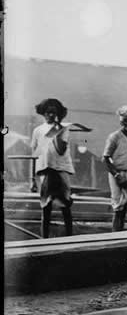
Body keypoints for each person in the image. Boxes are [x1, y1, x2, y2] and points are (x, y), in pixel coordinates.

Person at [30, 98, 75, 238]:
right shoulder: (37, 130)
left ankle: (69, 237)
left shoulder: (63, 128)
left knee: (65, 204)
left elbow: (61, 150)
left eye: (54, 113)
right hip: (45, 169)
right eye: (48, 112)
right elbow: (35, 154)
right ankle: (44, 239)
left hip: (61, 169)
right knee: (46, 206)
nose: (50, 115)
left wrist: (56, 129)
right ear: (43, 113)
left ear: (58, 114)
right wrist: (32, 178)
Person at [103, 105, 127, 232]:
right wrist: (116, 176)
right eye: (126, 122)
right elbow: (106, 158)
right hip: (117, 172)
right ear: (122, 122)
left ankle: (120, 232)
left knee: (125, 205)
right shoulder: (114, 137)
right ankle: (115, 234)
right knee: (117, 206)